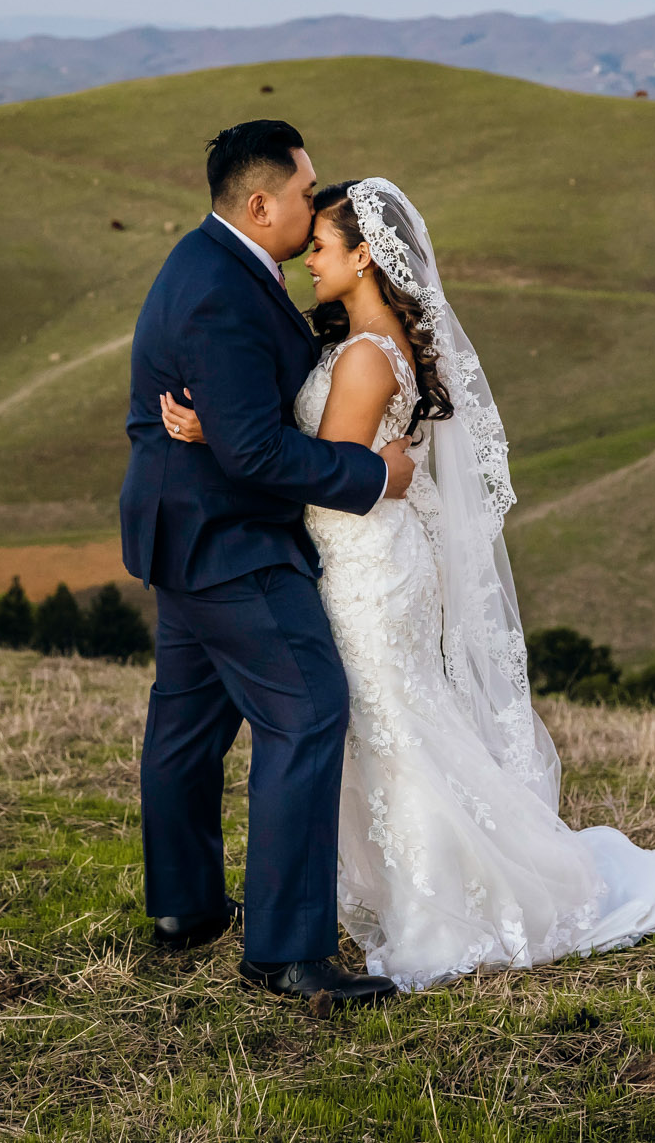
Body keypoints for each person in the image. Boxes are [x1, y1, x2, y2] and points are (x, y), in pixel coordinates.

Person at [158, 176, 655, 991]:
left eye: (323, 249)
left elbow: (316, 475)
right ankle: (403, 896)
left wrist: (213, 435)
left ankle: (445, 909)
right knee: (388, 729)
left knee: (394, 734)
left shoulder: (366, 359)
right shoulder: (360, 341)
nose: (308, 263)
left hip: (361, 564)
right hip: (365, 556)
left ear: (364, 255)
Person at [120, 121, 414, 1009]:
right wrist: (372, 473)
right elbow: (252, 453)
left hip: (188, 532)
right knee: (310, 711)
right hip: (231, 538)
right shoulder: (220, 289)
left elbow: (239, 422)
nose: (313, 202)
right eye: (303, 191)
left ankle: (187, 909)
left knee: (188, 726)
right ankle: (287, 955)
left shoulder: (216, 265)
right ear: (261, 203)